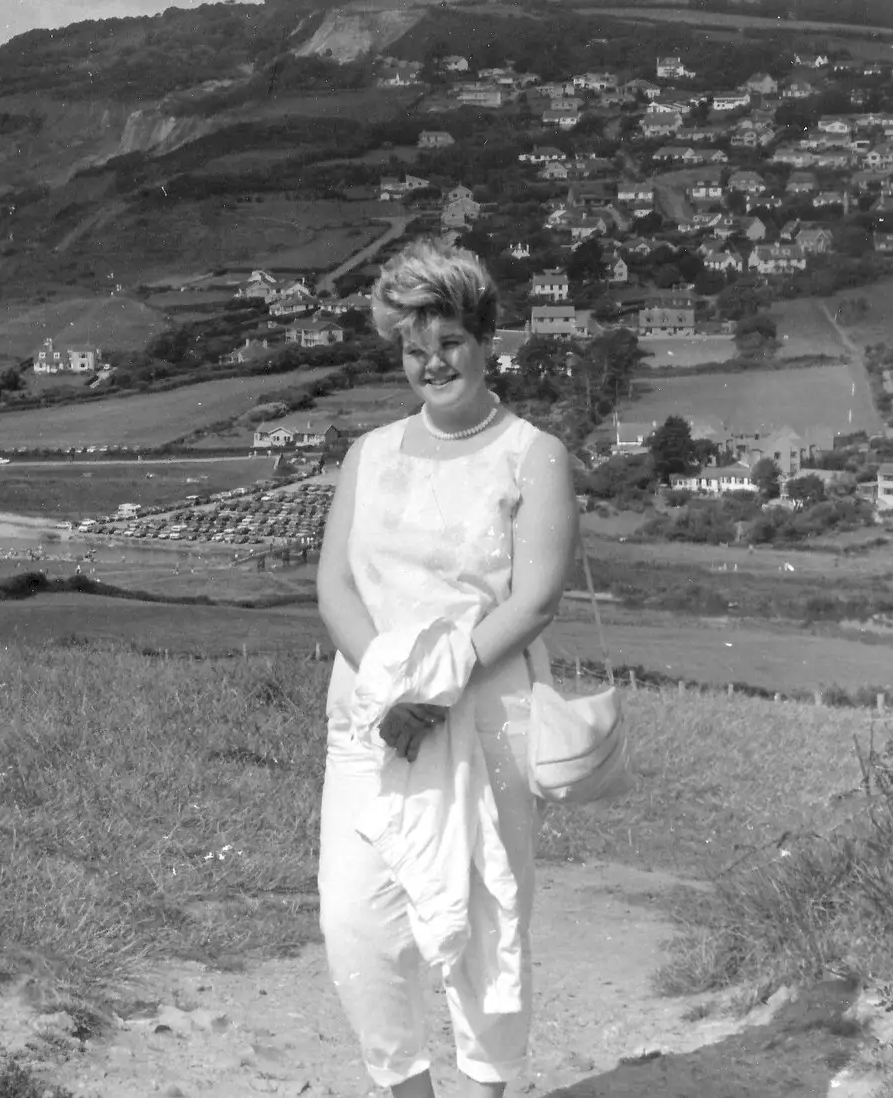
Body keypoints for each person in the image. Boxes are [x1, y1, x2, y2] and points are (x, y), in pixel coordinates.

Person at [316, 239, 578, 1098]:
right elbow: (336, 586)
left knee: (489, 915)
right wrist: (397, 688)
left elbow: (534, 600)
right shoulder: (371, 455)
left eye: (450, 343)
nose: (433, 364)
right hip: (372, 716)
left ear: (486, 339)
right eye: (412, 349)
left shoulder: (532, 454)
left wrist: (436, 689)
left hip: (487, 710)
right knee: (357, 924)